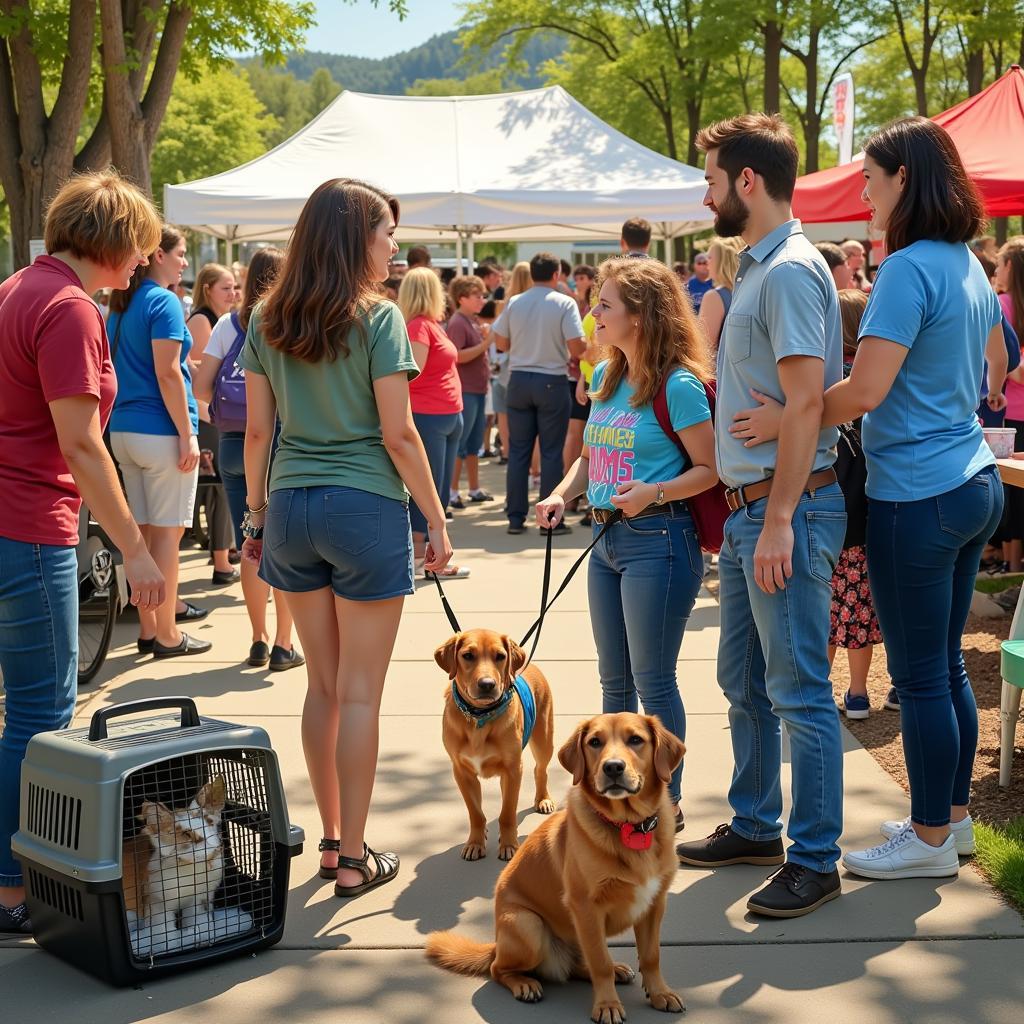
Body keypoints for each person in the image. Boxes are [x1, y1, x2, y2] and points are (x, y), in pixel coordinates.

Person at [731, 117, 1009, 883]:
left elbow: (866, 388)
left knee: (919, 676)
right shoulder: (965, 265)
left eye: (872, 177)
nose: (863, 190)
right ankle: (948, 824)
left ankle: (925, 840)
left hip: (916, 496)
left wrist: (795, 411)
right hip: (971, 481)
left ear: (905, 182)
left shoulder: (908, 270)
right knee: (944, 667)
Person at [240, 177, 453, 897]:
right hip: (363, 508)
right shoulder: (379, 318)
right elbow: (398, 433)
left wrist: (256, 517)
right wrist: (436, 519)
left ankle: (332, 842)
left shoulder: (269, 315)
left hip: (292, 509)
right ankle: (356, 859)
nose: (393, 246)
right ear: (353, 237)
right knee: (361, 695)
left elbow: (259, 432)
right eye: (385, 233)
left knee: (323, 688)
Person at [675, 113, 848, 919]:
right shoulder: (760, 268)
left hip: (789, 512)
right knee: (744, 681)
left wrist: (778, 518)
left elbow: (807, 401)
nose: (706, 194)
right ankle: (756, 824)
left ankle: (816, 859)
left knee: (799, 691)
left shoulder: (784, 273)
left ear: (747, 182)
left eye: (712, 180)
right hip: (755, 514)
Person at [0, 171, 166, 933]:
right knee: (39, 715)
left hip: (16, 519)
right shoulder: (70, 308)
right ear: (113, 240)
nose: (145, 259)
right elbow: (80, 443)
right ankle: (11, 888)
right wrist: (136, 550)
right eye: (140, 245)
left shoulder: (17, 289)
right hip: (29, 525)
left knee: (22, 712)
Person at [536, 257, 718, 831]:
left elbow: (711, 470)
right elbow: (591, 459)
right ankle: (617, 794)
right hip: (605, 541)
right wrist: (562, 495)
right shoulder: (605, 377)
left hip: (660, 541)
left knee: (653, 679)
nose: (594, 313)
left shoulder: (679, 385)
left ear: (639, 316)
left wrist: (654, 493)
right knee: (613, 681)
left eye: (606, 305)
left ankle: (664, 801)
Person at [192, 247, 302, 671]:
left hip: (232, 445)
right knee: (286, 549)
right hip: (278, 445)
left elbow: (201, 386)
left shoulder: (227, 323)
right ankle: (283, 643)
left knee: (249, 544)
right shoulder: (288, 322)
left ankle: (256, 639)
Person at [107, 226, 213, 659]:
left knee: (145, 535)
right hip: (161, 432)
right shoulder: (163, 301)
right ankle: (167, 634)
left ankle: (151, 629)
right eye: (181, 254)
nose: (185, 262)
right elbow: (168, 373)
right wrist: (188, 434)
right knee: (167, 537)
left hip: (124, 432)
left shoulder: (120, 305)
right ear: (157, 256)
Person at [493, 253, 585, 535]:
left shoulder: (515, 301)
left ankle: (515, 517)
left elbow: (500, 341)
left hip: (518, 379)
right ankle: (549, 520)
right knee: (550, 451)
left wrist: (521, 345)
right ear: (557, 274)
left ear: (532, 274)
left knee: (518, 452)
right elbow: (577, 347)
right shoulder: (564, 302)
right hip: (551, 380)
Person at [830, 288, 885, 719]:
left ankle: (818, 689)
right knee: (858, 609)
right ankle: (860, 692)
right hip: (866, 512)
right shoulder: (875, 382)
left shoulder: (827, 378)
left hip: (825, 508)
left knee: (822, 613)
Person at [398, 268, 469, 577]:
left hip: (445, 416)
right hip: (430, 415)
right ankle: (421, 558)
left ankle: (429, 557)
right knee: (427, 489)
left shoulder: (430, 325)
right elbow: (411, 373)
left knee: (437, 489)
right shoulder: (418, 327)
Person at [187, 263, 240, 585]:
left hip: (214, 415)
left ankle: (224, 553)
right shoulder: (202, 321)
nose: (233, 294)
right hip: (209, 416)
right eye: (226, 288)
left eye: (235, 288)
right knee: (219, 489)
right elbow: (199, 373)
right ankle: (221, 561)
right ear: (207, 289)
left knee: (220, 488)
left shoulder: (219, 321)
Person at [446, 274, 494, 509]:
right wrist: (485, 344)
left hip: (476, 388)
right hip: (466, 389)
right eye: (477, 295)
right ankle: (453, 491)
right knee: (461, 445)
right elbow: (456, 356)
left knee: (473, 442)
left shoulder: (470, 320)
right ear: (462, 298)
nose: (481, 300)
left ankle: (473, 488)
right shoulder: (457, 322)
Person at [698, 236, 744, 352]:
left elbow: (704, 348)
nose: (706, 262)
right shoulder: (747, 291)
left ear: (722, 261)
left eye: (709, 258)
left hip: (721, 368)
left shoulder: (714, 297)